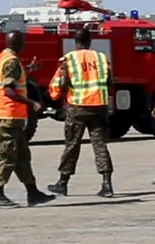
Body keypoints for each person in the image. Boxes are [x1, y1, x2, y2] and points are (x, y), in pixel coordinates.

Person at [49, 25, 116, 197]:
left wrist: (58, 97)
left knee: (72, 145)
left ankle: (62, 183)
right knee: (100, 145)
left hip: (77, 107)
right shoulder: (101, 58)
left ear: (75, 41)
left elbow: (60, 84)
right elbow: (109, 82)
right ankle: (107, 185)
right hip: (99, 106)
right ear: (90, 40)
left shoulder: (68, 59)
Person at [0, 25, 50, 208]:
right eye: (23, 41)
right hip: (7, 115)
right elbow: (8, 90)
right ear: (19, 44)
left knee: (22, 156)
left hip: (11, 116)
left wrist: (29, 68)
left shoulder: (3, 57)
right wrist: (32, 103)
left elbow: (13, 77)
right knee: (5, 155)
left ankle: (33, 192)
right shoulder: (12, 61)